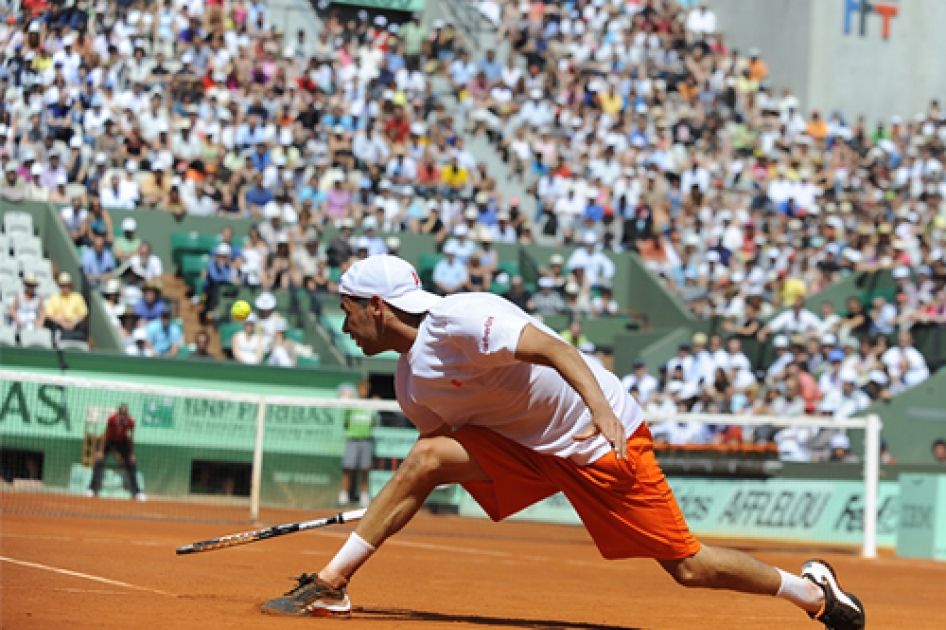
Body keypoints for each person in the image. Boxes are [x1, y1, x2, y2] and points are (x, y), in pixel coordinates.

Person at [262, 255, 865, 630]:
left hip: (599, 437)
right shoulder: (409, 383)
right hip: (531, 449)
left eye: (348, 312)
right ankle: (332, 584)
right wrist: (402, 492)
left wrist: (603, 416)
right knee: (423, 458)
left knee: (690, 568)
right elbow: (436, 456)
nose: (344, 326)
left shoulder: (461, 318)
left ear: (376, 306)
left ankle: (811, 593)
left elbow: (556, 350)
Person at [87, 403, 146, 501]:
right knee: (99, 462)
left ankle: (137, 493)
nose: (123, 415)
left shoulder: (130, 422)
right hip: (109, 441)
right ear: (118, 413)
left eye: (125, 413)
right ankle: (91, 489)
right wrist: (100, 451)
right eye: (121, 413)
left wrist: (131, 454)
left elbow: (131, 437)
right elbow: (105, 434)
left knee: (131, 464)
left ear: (127, 414)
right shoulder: (112, 419)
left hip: (122, 442)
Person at [337, 381, 378, 508]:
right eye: (361, 389)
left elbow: (374, 423)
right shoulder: (352, 405)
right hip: (352, 440)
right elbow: (346, 423)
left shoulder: (372, 406)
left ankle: (364, 496)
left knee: (364, 470)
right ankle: (343, 495)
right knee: (348, 468)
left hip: (366, 440)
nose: (363, 391)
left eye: (365, 389)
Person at [45, 272, 88, 341]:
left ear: (70, 286)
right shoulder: (54, 297)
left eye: (67, 285)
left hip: (74, 324)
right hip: (58, 324)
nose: (65, 287)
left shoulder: (77, 297)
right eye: (63, 285)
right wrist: (61, 322)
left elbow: (83, 314)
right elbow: (49, 315)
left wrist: (73, 323)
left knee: (82, 329)